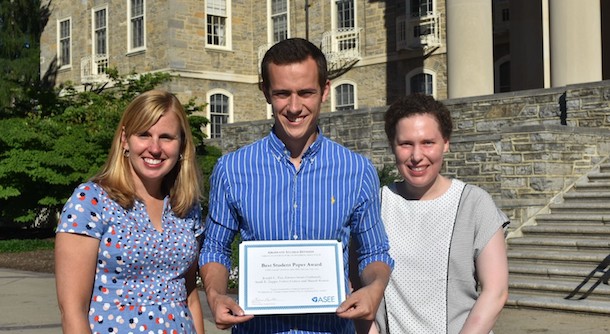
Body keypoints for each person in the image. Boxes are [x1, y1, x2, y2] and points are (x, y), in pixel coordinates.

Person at [199, 37, 394, 334]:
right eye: (282, 93)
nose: (293, 107)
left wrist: (375, 287)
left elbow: (374, 252)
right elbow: (215, 248)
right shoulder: (232, 170)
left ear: (325, 90)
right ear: (265, 92)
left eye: (305, 92)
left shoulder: (356, 170)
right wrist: (214, 295)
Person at [55, 90, 206, 333]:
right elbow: (73, 309)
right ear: (125, 139)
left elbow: (190, 297)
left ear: (181, 145)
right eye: (144, 134)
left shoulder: (186, 207)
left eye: (166, 137)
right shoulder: (90, 201)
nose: (154, 148)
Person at [375, 93, 509, 333]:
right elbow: (358, 289)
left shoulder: (474, 204)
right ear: (392, 146)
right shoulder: (376, 204)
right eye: (406, 144)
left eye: (428, 142)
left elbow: (496, 291)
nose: (417, 156)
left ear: (445, 142)